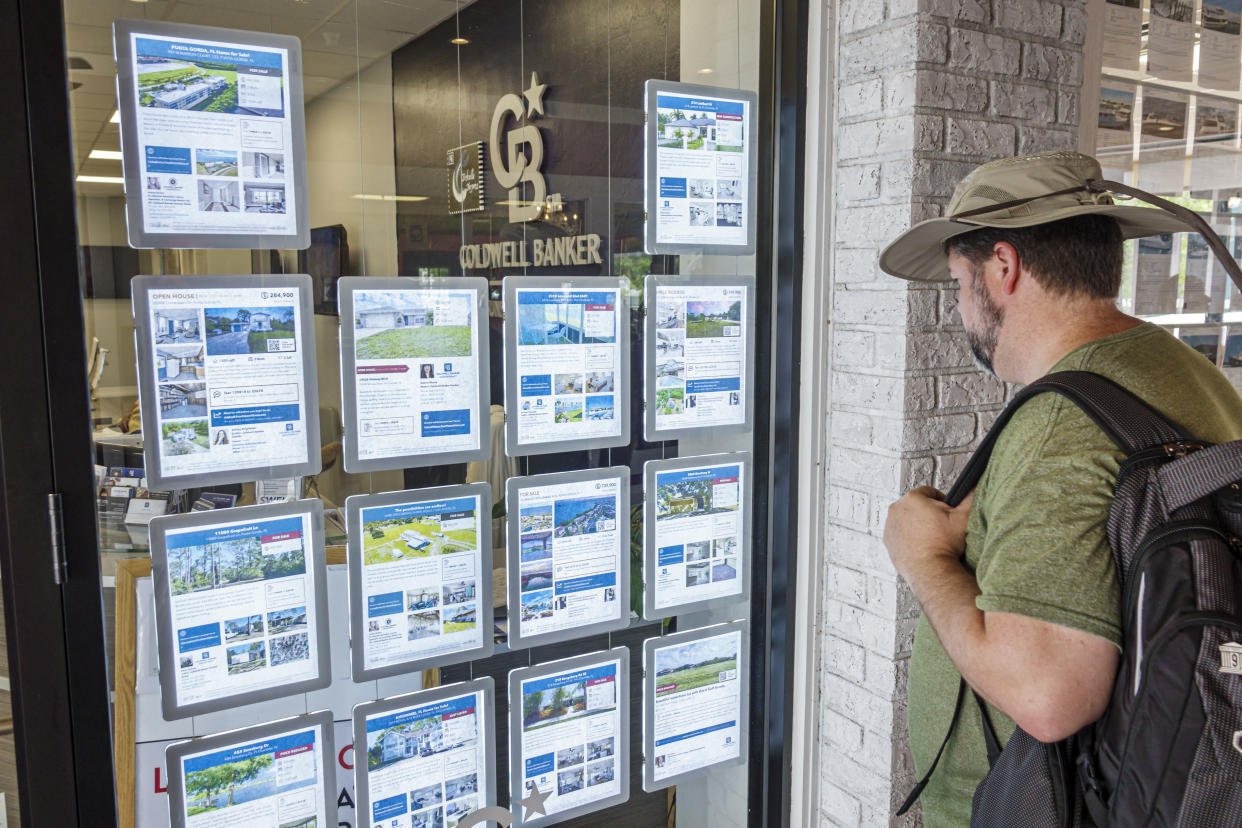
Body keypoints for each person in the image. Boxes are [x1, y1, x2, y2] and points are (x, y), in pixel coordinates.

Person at [877, 151, 1242, 826]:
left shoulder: (1062, 423)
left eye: (959, 283)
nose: (959, 311)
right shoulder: (1180, 368)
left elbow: (1049, 695)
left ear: (1004, 269)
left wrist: (923, 559)